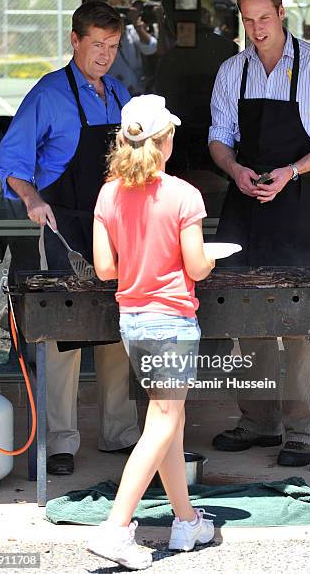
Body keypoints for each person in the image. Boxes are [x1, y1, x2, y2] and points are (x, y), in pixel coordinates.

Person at [209, 0, 310, 466]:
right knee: (243, 315)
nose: (255, 30)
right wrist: (235, 170)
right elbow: (218, 138)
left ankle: (296, 428)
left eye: (263, 19)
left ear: (281, 13)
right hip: (244, 202)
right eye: (247, 21)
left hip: (296, 204)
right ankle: (256, 419)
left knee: (297, 319)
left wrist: (292, 171)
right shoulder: (234, 70)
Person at [0, 1, 140, 475]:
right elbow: (11, 161)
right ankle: (60, 441)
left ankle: (120, 433)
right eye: (96, 44)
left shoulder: (120, 94)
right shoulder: (48, 93)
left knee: (119, 326)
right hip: (63, 226)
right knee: (63, 335)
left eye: (113, 46)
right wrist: (33, 200)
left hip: (114, 224)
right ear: (74, 41)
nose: (104, 55)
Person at [88, 94, 215, 569]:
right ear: (167, 141)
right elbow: (198, 268)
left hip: (132, 319)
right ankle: (116, 529)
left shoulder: (107, 193)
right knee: (163, 422)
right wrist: (206, 256)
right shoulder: (184, 196)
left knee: (170, 423)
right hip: (173, 321)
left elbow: (104, 269)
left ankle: (185, 521)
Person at [155, 0, 236, 174]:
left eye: (166, 17)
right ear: (200, 12)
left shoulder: (171, 60)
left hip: (181, 158)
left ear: (169, 19)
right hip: (227, 157)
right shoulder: (228, 49)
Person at [108, 0, 158, 95]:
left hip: (136, 91)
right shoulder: (102, 35)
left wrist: (138, 26)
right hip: (113, 92)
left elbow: (151, 48)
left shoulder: (132, 31)